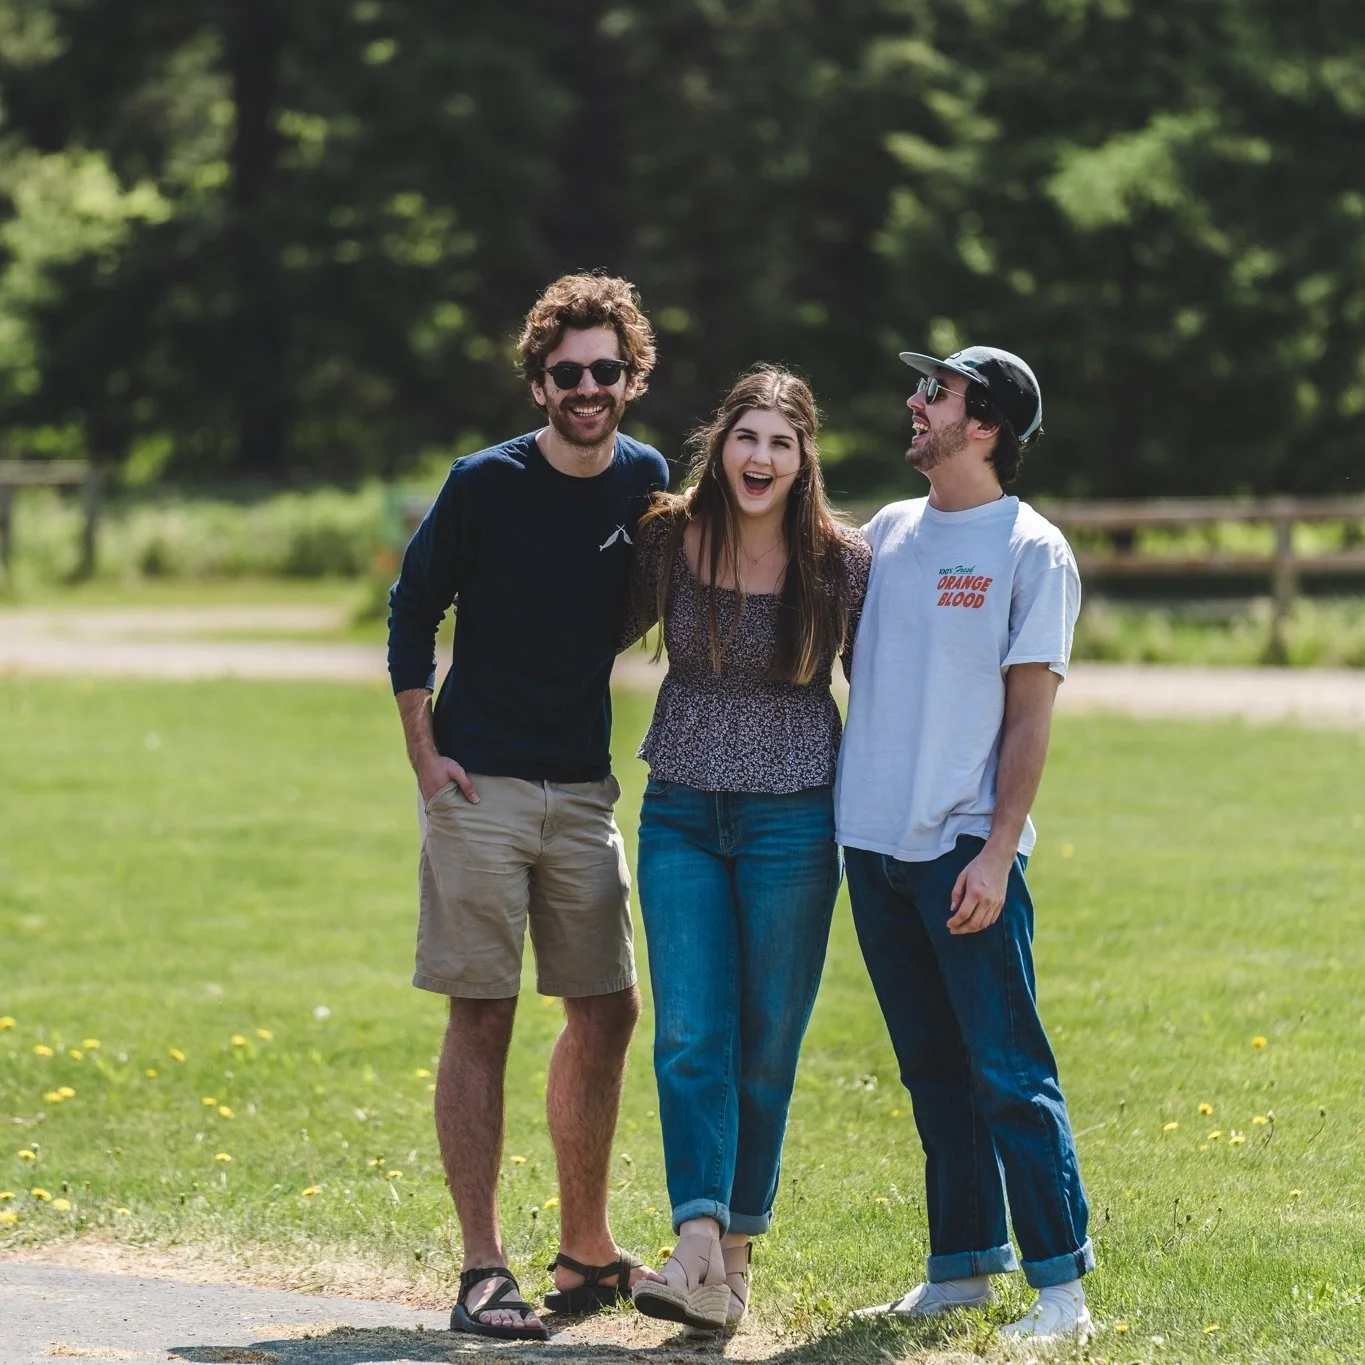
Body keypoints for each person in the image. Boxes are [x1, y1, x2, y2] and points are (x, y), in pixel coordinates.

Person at [386, 274, 669, 1340]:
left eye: (606, 370)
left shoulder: (644, 478)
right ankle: (481, 1269)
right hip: (481, 787)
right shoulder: (483, 483)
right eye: (567, 373)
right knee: (484, 1011)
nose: (587, 388)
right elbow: (411, 611)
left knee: (608, 1009)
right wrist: (426, 758)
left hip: (584, 787)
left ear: (631, 378)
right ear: (539, 382)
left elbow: (642, 601)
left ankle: (586, 1254)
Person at [835, 345, 1095, 1342]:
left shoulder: (1032, 550)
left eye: (934, 393)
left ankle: (1061, 1291)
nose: (914, 402)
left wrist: (995, 849)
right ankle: (962, 1268)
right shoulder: (888, 531)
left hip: (962, 851)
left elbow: (1030, 717)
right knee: (931, 1070)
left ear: (982, 424)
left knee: (1008, 1070)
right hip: (872, 845)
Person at [619, 366, 870, 1332]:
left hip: (793, 822)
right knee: (690, 1031)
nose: (759, 457)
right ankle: (693, 1241)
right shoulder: (667, 537)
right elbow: (585, 627)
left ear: (803, 458)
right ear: (719, 444)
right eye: (746, 436)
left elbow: (886, 690)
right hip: (680, 806)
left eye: (779, 442)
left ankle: (730, 1261)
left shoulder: (840, 564)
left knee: (764, 1048)